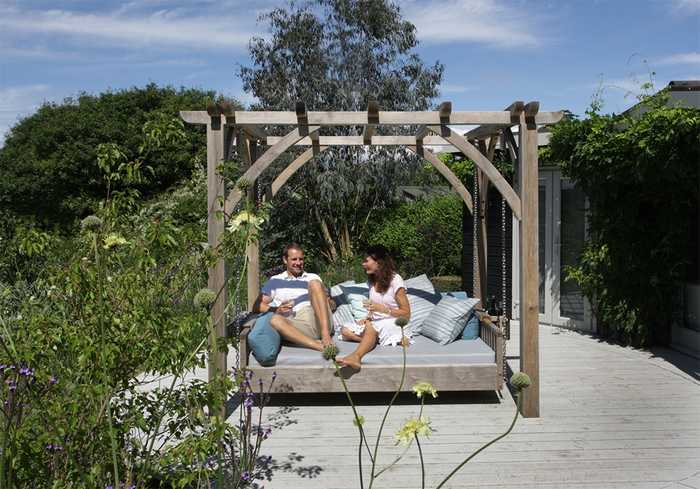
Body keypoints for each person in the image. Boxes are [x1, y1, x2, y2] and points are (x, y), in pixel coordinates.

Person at [336, 245, 411, 371]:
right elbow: (374, 308)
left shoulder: (396, 280)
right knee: (345, 330)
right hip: (376, 322)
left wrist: (384, 310)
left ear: (379, 262)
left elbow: (407, 313)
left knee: (371, 327)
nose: (363, 264)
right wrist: (367, 317)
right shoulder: (372, 281)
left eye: (366, 261)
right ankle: (375, 340)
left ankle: (356, 356)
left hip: (395, 322)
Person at [253, 243, 334, 351]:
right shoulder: (275, 281)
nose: (298, 263)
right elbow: (257, 306)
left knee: (314, 283)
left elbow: (330, 303)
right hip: (298, 324)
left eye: (301, 259)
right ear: (285, 260)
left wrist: (329, 302)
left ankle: (325, 336)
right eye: (294, 259)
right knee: (274, 320)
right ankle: (318, 346)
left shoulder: (312, 277)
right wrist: (276, 309)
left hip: (319, 319)